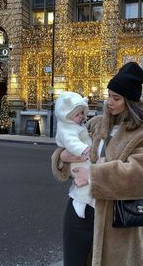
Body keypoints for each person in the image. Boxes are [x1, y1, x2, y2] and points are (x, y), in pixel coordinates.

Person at [51, 62, 143, 266]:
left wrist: (93, 176)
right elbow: (74, 148)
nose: (109, 102)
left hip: (117, 222)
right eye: (108, 95)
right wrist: (62, 158)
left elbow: (140, 177)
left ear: (130, 101)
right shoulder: (97, 124)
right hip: (78, 212)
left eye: (116, 97)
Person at [54, 91, 94, 219]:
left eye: (82, 112)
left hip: (81, 158)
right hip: (79, 160)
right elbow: (71, 142)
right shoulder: (67, 128)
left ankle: (85, 200)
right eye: (77, 114)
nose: (81, 116)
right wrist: (83, 149)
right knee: (83, 182)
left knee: (85, 181)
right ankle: (80, 201)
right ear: (66, 115)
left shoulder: (74, 125)